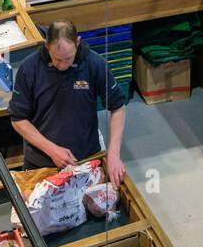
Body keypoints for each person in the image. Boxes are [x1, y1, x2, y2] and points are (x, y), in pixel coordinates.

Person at [8, 19, 126, 184]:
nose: (63, 65)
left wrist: (113, 154)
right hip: (41, 164)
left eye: (68, 59)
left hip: (85, 159)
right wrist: (52, 150)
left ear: (77, 42)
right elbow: (18, 119)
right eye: (57, 59)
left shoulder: (94, 64)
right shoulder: (29, 68)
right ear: (47, 45)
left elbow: (118, 108)